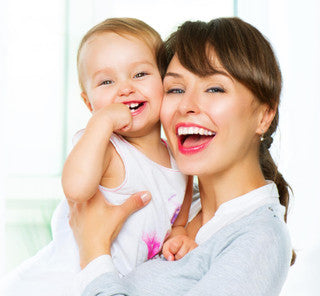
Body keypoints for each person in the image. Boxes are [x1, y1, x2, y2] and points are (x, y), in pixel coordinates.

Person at [69, 17, 295, 296]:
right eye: (175, 89)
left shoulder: (259, 237)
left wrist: (93, 254)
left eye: (215, 88)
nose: (187, 105)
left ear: (264, 116)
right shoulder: (172, 200)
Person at [0, 18, 195, 296]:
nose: (125, 88)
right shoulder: (104, 146)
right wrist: (101, 125)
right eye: (106, 81)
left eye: (140, 74)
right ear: (89, 103)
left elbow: (178, 215)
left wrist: (179, 234)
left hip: (107, 285)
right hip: (57, 284)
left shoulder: (178, 158)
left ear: (164, 82)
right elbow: (77, 189)